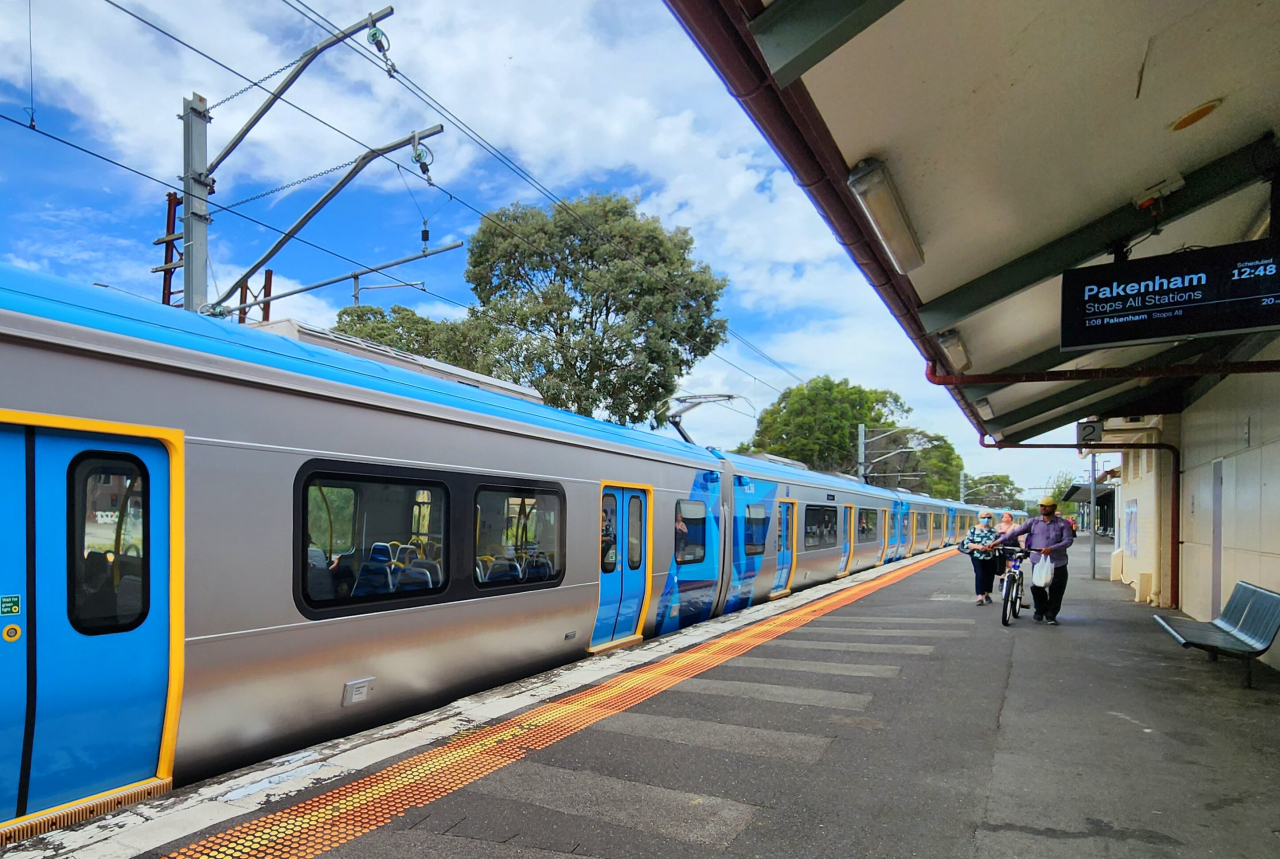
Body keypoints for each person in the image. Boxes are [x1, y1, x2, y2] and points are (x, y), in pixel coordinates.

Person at [989, 496, 1074, 624]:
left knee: (1057, 590)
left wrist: (1052, 548)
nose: (1043, 508)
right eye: (1041, 505)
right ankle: (1040, 610)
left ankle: (1051, 615)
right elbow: (1015, 532)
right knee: (1037, 587)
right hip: (1038, 560)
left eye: (1047, 506)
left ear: (1054, 507)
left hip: (1058, 561)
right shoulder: (1033, 522)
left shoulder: (1062, 524)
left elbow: (1068, 540)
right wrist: (998, 541)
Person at [962, 510, 999, 606]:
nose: (986, 519)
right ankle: (980, 596)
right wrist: (979, 547)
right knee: (980, 574)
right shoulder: (973, 529)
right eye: (983, 517)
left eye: (988, 517)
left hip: (990, 557)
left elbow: (998, 543)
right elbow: (967, 543)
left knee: (990, 575)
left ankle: (987, 594)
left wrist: (992, 548)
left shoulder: (994, 531)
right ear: (979, 518)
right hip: (977, 556)